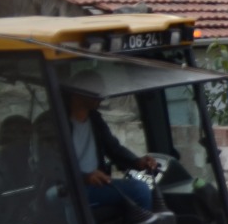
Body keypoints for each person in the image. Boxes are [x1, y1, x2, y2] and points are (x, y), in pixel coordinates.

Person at [63, 70, 159, 215]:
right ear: (77, 92)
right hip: (64, 188)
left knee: (140, 189)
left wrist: (137, 162)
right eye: (95, 88)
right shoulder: (52, 123)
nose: (101, 93)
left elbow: (113, 148)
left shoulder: (95, 119)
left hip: (95, 185)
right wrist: (84, 177)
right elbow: (49, 165)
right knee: (139, 190)